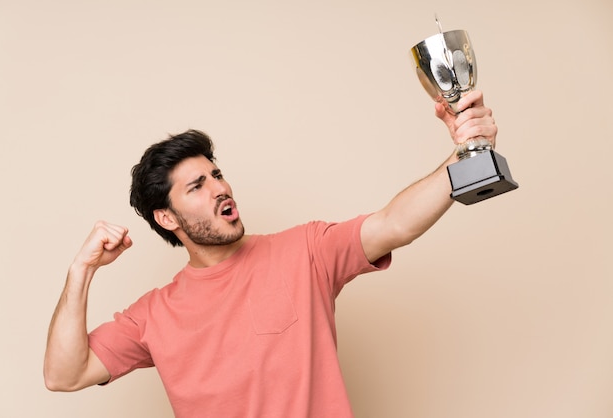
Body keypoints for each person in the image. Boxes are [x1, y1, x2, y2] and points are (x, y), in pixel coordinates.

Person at [44, 91, 497, 417]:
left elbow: (395, 223)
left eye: (216, 174)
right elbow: (64, 375)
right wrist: (81, 270)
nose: (220, 188)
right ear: (167, 218)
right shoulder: (153, 316)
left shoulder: (305, 250)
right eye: (197, 186)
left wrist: (467, 155)